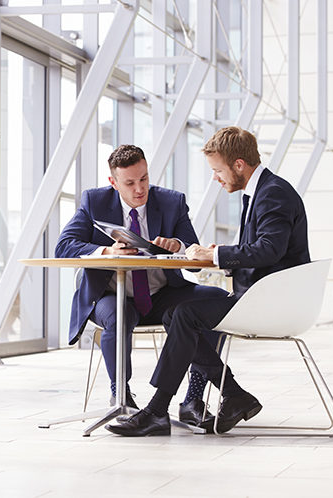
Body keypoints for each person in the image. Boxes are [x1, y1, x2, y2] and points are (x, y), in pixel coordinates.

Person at [106, 126, 311, 436]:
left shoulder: (273, 194)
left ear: (238, 165)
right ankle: (232, 394)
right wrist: (216, 255)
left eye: (218, 170)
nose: (216, 178)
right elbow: (263, 250)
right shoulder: (262, 191)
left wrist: (216, 256)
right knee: (179, 313)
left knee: (185, 314)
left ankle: (158, 411)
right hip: (265, 296)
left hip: (273, 302)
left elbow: (269, 250)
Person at [55, 144, 227, 419]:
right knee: (119, 315)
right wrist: (108, 251)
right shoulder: (94, 201)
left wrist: (178, 246)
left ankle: (193, 398)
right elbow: (64, 247)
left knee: (216, 302)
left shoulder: (172, 202)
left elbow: (194, 251)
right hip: (111, 296)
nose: (139, 189)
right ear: (113, 182)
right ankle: (120, 393)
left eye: (144, 179)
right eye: (130, 182)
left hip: (162, 295)